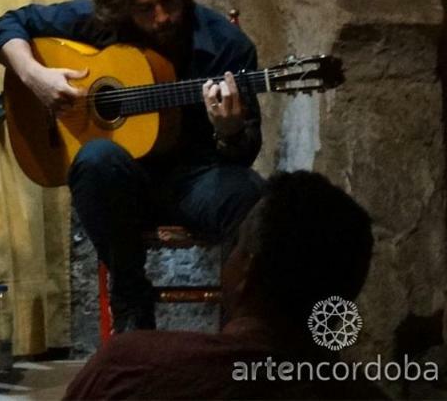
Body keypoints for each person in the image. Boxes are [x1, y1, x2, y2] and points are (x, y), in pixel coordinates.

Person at [0, 0, 265, 333]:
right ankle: (132, 302)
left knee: (251, 195)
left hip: (195, 180)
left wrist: (229, 130)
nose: (161, 17)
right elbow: (7, 24)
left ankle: (239, 330)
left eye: (169, 1)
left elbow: (243, 153)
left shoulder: (226, 45)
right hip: (125, 187)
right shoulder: (97, 24)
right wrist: (36, 78)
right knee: (95, 159)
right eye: (145, 9)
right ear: (122, 9)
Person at [64, 170, 384, 400]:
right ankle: (132, 302)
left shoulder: (125, 367)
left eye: (236, 247)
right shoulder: (363, 395)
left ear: (247, 271)